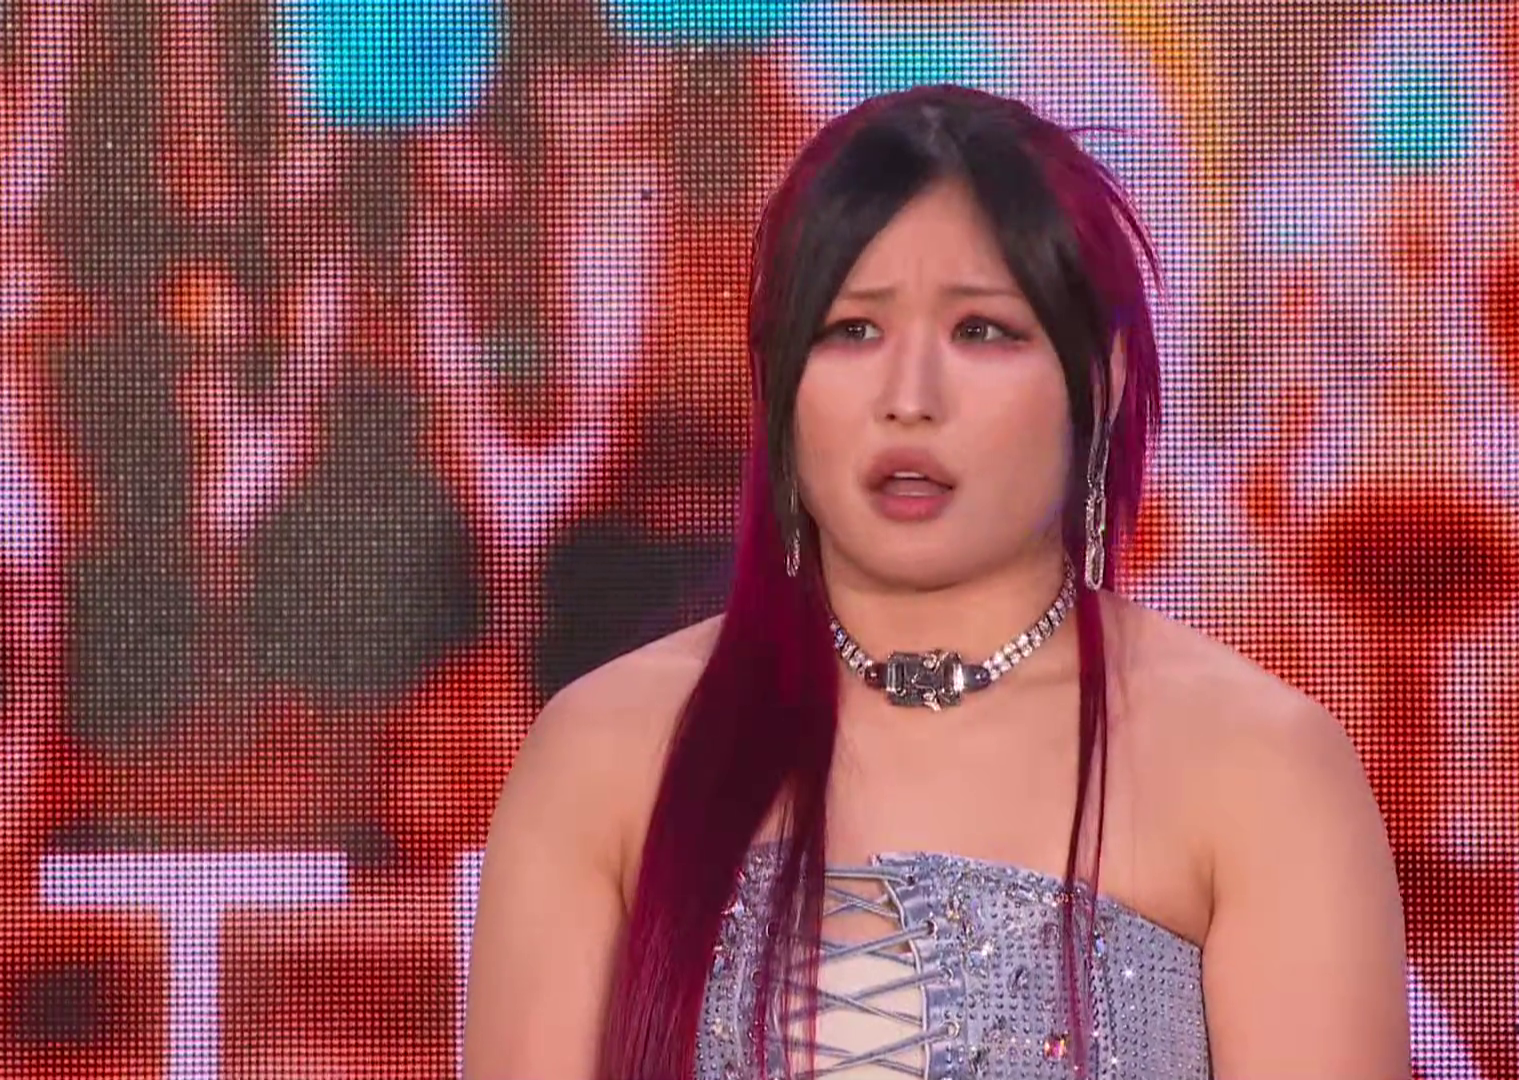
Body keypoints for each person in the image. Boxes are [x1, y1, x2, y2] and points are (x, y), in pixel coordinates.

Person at [462, 84, 1409, 1080]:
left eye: (981, 331)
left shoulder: (1260, 769)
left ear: (1104, 377)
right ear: (778, 380)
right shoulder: (605, 755)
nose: (909, 399)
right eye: (851, 331)